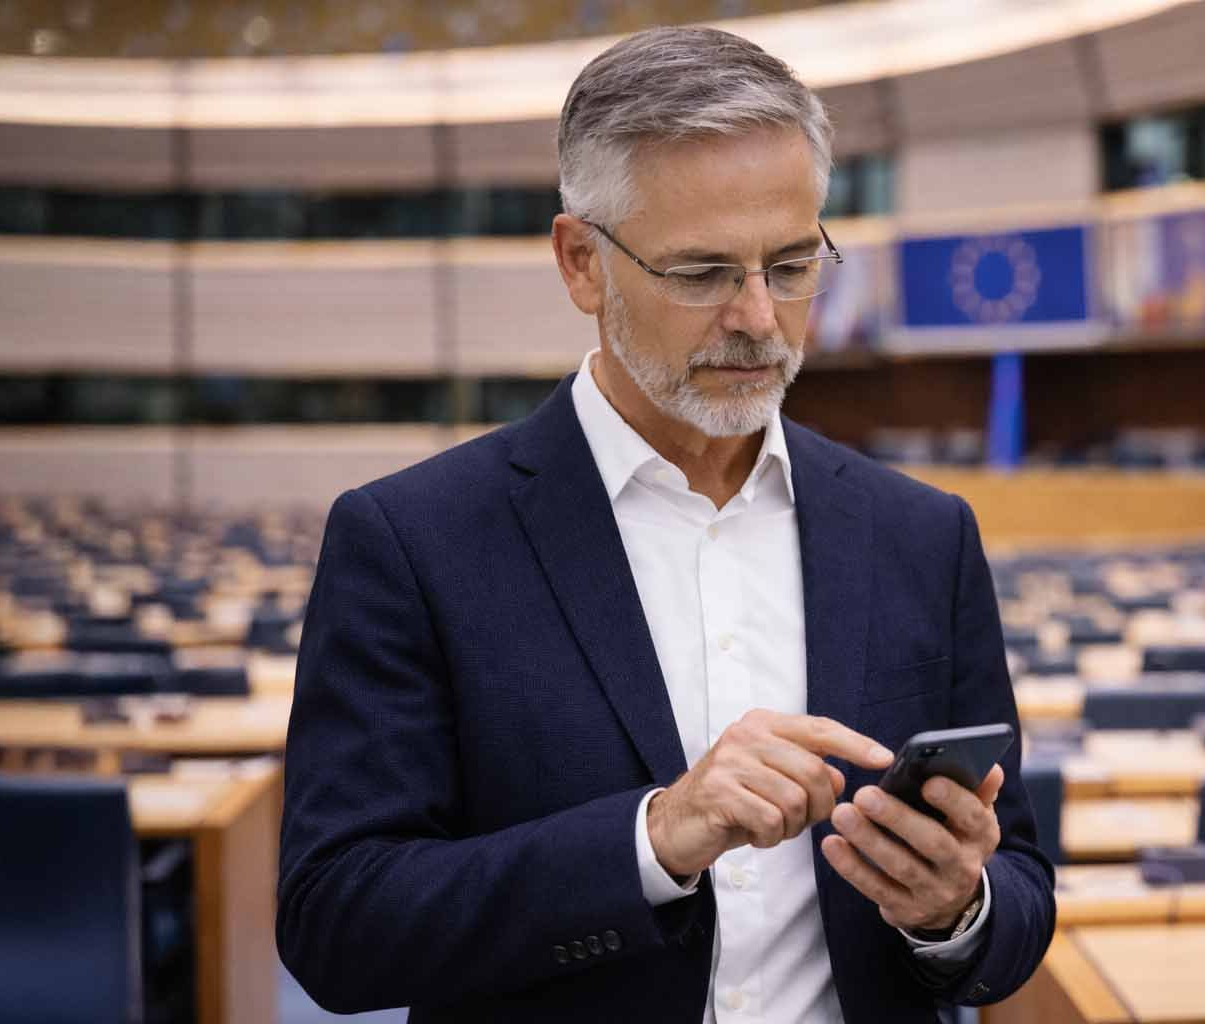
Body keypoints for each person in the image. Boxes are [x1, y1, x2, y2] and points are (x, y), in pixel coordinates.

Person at [276, 26, 1054, 1022]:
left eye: (789, 265)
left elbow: (1018, 889)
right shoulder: (411, 542)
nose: (758, 319)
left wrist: (955, 908)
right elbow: (335, 926)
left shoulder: (922, 535)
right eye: (702, 274)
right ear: (580, 263)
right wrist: (650, 840)